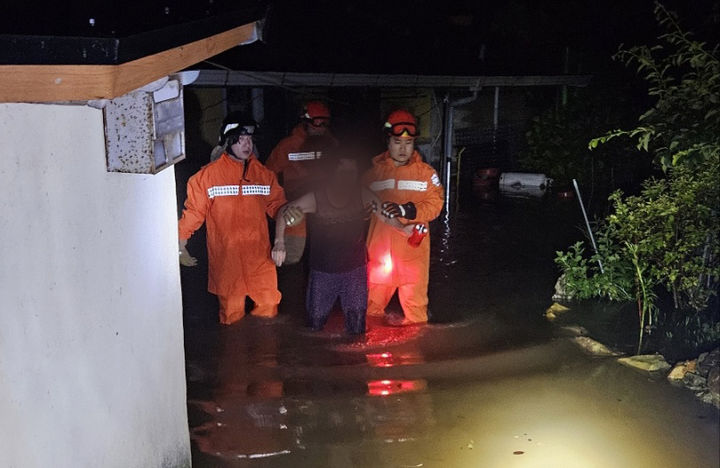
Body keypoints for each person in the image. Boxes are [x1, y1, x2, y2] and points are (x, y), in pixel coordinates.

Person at [271, 149, 406, 334]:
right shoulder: (316, 198)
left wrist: (403, 228)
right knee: (314, 329)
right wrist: (279, 242)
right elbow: (283, 213)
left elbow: (384, 213)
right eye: (344, 172)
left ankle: (356, 361)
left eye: (352, 173)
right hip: (322, 273)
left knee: (357, 328)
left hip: (355, 272)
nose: (348, 178)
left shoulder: (362, 194)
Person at [178, 113, 286, 325]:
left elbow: (279, 207)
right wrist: (181, 245)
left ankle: (267, 356)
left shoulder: (264, 175)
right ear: (228, 140)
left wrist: (286, 233)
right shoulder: (205, 177)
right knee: (231, 317)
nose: (247, 144)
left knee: (269, 310)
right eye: (241, 139)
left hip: (260, 256)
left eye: (250, 139)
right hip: (227, 259)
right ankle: (233, 354)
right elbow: (193, 214)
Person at [364, 110, 444, 326]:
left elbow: (435, 205)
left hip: (413, 256)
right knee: (371, 312)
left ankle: (415, 356)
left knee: (416, 316)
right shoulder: (372, 174)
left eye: (408, 143)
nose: (402, 148)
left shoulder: (426, 174)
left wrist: (407, 210)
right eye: (397, 142)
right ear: (388, 142)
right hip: (380, 256)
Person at [265, 101, 337, 264]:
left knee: (326, 256)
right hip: (296, 204)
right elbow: (268, 174)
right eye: (317, 122)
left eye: (325, 122)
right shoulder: (289, 145)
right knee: (292, 257)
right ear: (305, 122)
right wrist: (277, 202)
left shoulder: (332, 144)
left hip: (325, 205)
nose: (320, 127)